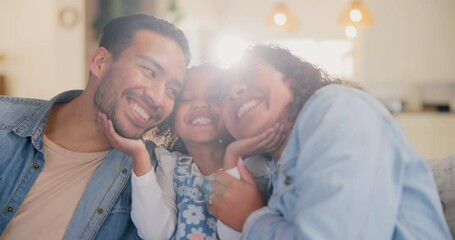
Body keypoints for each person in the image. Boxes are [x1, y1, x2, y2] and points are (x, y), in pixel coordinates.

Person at [208, 44, 452, 239]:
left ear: (292, 79)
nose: (235, 91)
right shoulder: (270, 173)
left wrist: (252, 218)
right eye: (223, 94)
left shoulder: (337, 108)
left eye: (250, 74)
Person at [0, 14, 190, 240]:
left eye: (172, 91)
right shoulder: (5, 124)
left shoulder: (152, 183)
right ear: (100, 62)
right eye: (149, 71)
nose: (158, 99)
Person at [98, 63, 283, 240]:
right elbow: (155, 233)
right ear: (171, 117)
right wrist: (140, 155)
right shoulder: (170, 165)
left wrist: (232, 157)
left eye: (214, 96)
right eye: (186, 99)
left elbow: (233, 235)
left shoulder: (255, 168)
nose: (200, 105)